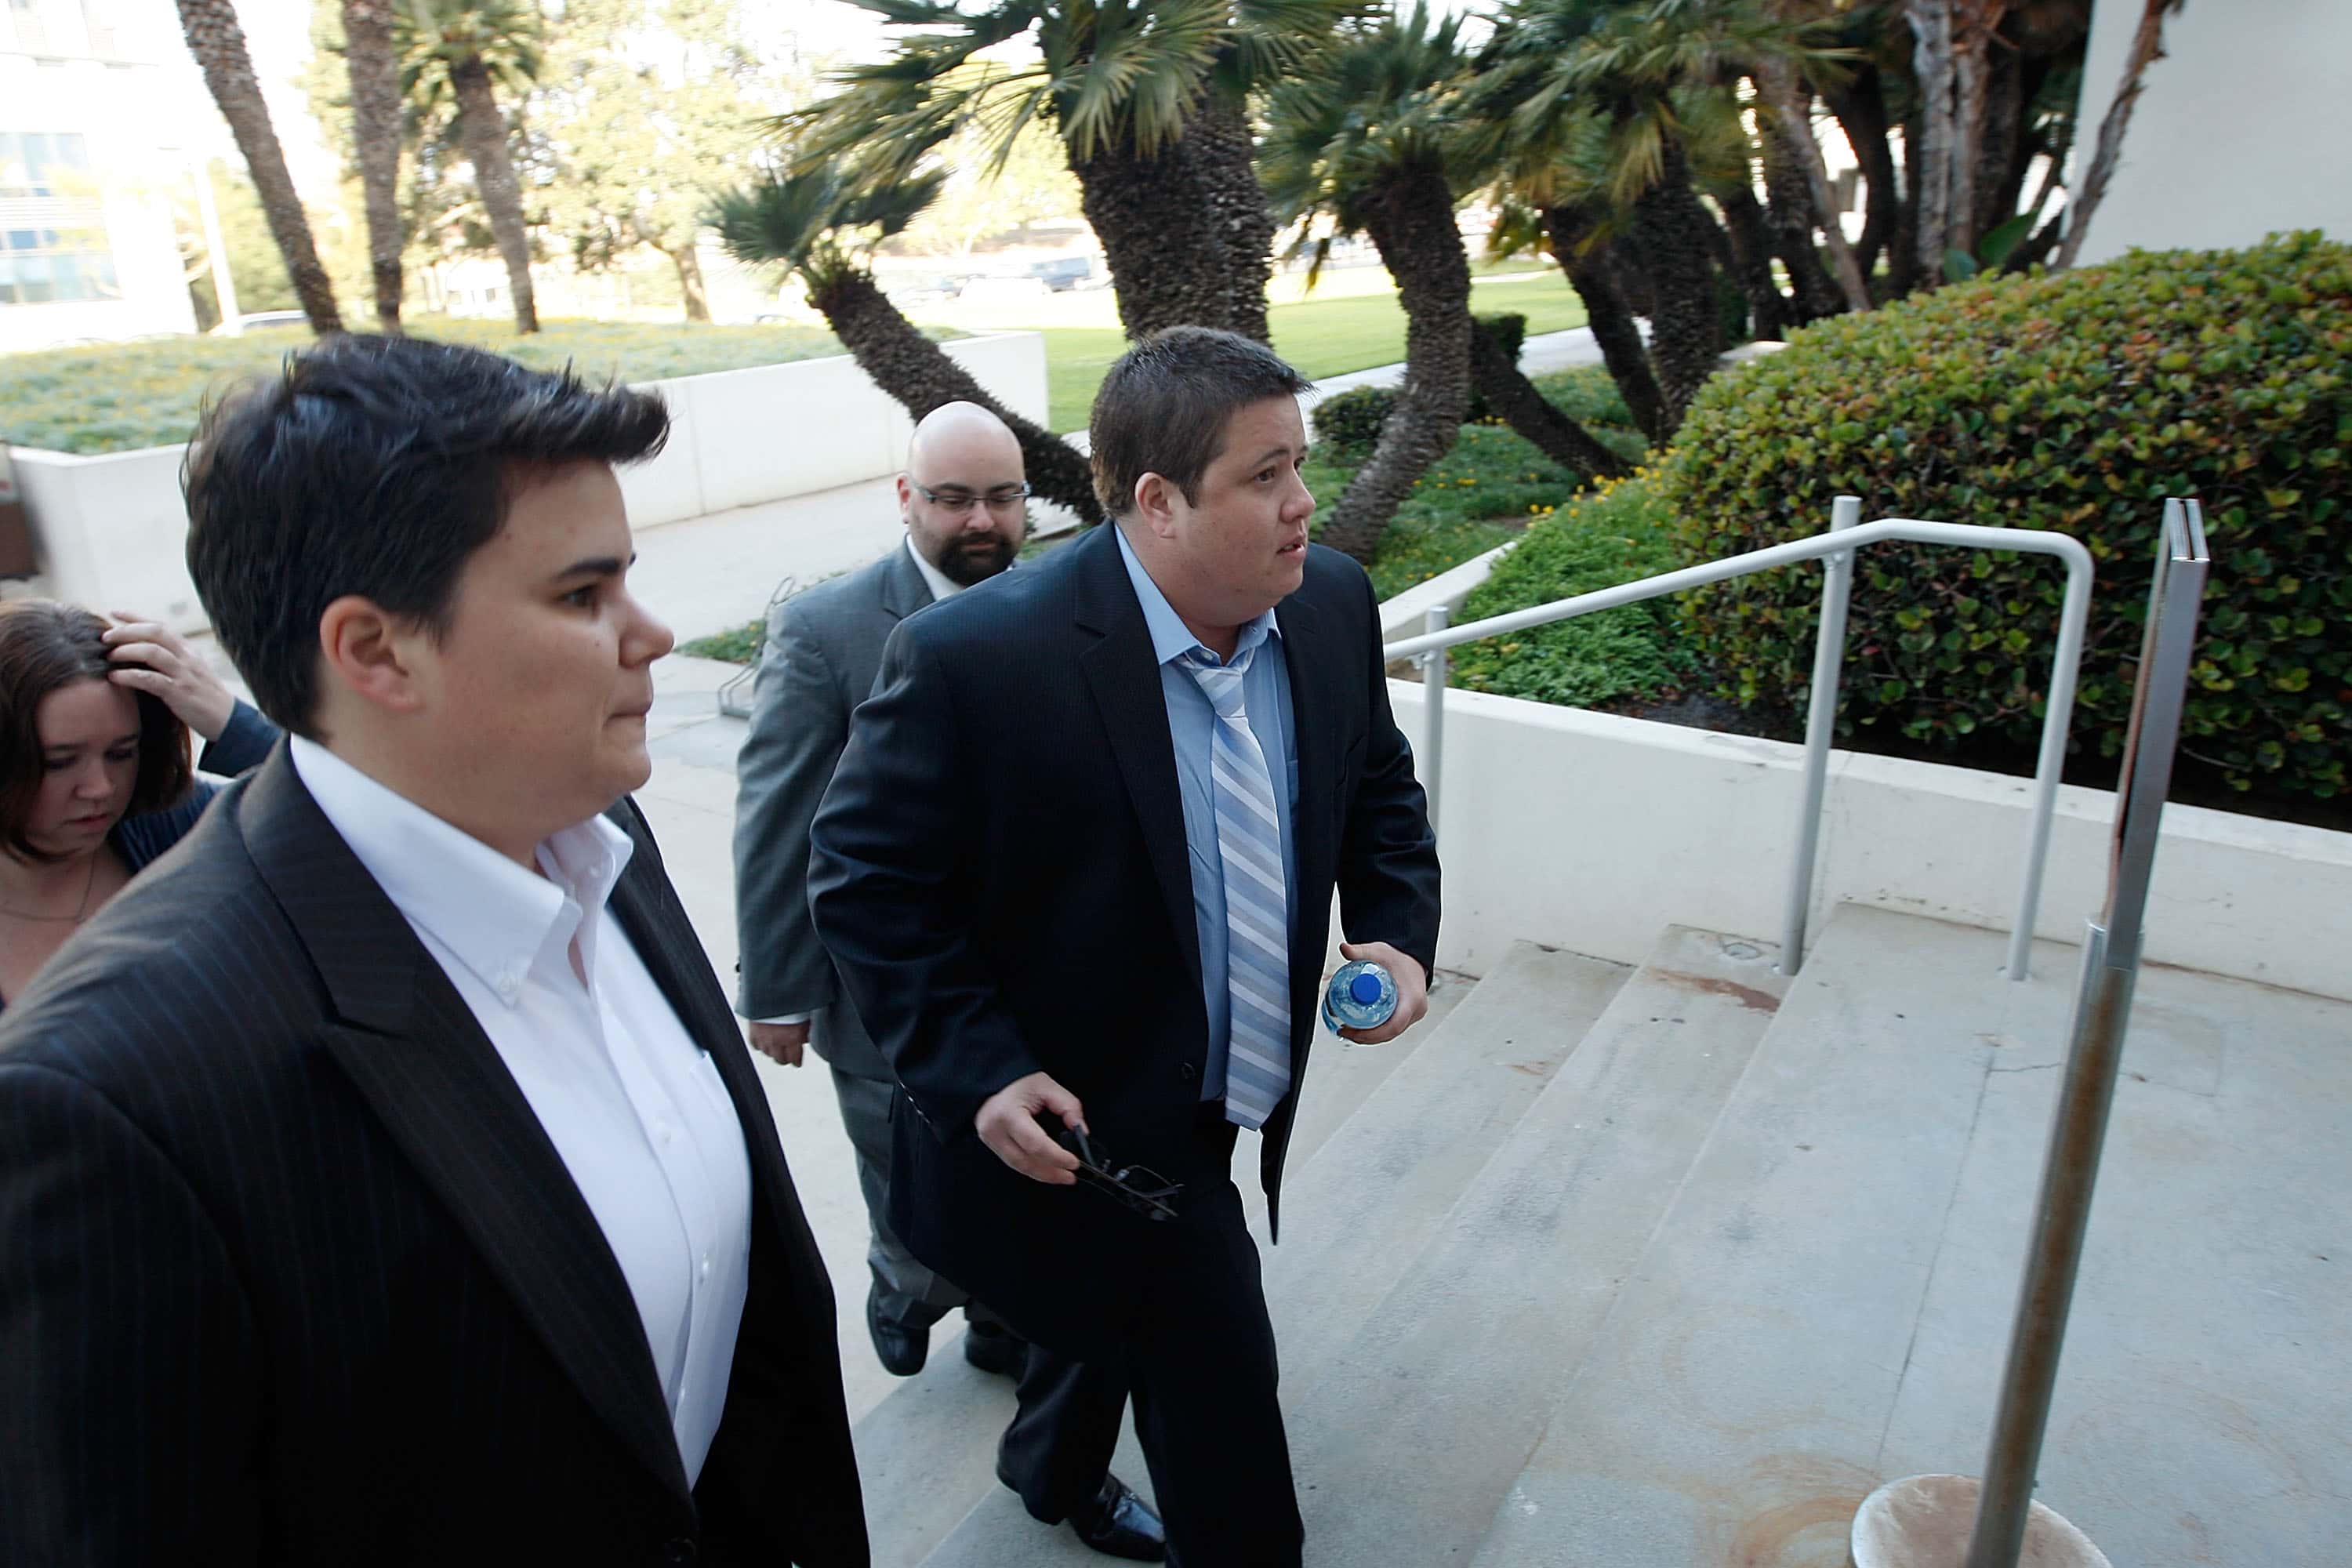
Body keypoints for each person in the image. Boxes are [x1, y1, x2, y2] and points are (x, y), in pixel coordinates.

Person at [0, 334, 866, 1566]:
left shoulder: (597, 829)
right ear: (374, 651)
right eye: (582, 594)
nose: (654, 633)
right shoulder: (112, 1093)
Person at [808, 326, 1443, 1567]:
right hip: (1096, 1123)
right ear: (1158, 503)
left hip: (1232, 1088)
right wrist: (977, 1062)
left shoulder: (1331, 608)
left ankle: (1045, 1464)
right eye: (1264, 476)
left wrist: (1399, 937)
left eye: (1299, 464)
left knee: (1118, 1313)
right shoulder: (975, 661)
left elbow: (1379, 792)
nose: (1305, 503)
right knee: (1224, 1416)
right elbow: (866, 878)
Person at [731, 401, 1163, 1560]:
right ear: (907, 498)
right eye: (957, 498)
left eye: (1005, 497)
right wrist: (776, 987)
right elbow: (779, 816)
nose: (984, 520)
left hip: (1038, 986)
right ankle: (907, 1279)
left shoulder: (1078, 597)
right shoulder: (829, 629)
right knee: (907, 1174)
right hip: (883, 994)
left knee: (1041, 1189)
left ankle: (1003, 1325)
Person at [0, 602, 278, 1010]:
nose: (99, 788)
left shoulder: (181, 825)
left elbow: (345, 828)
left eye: (121, 754)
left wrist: (233, 725)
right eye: (58, 762)